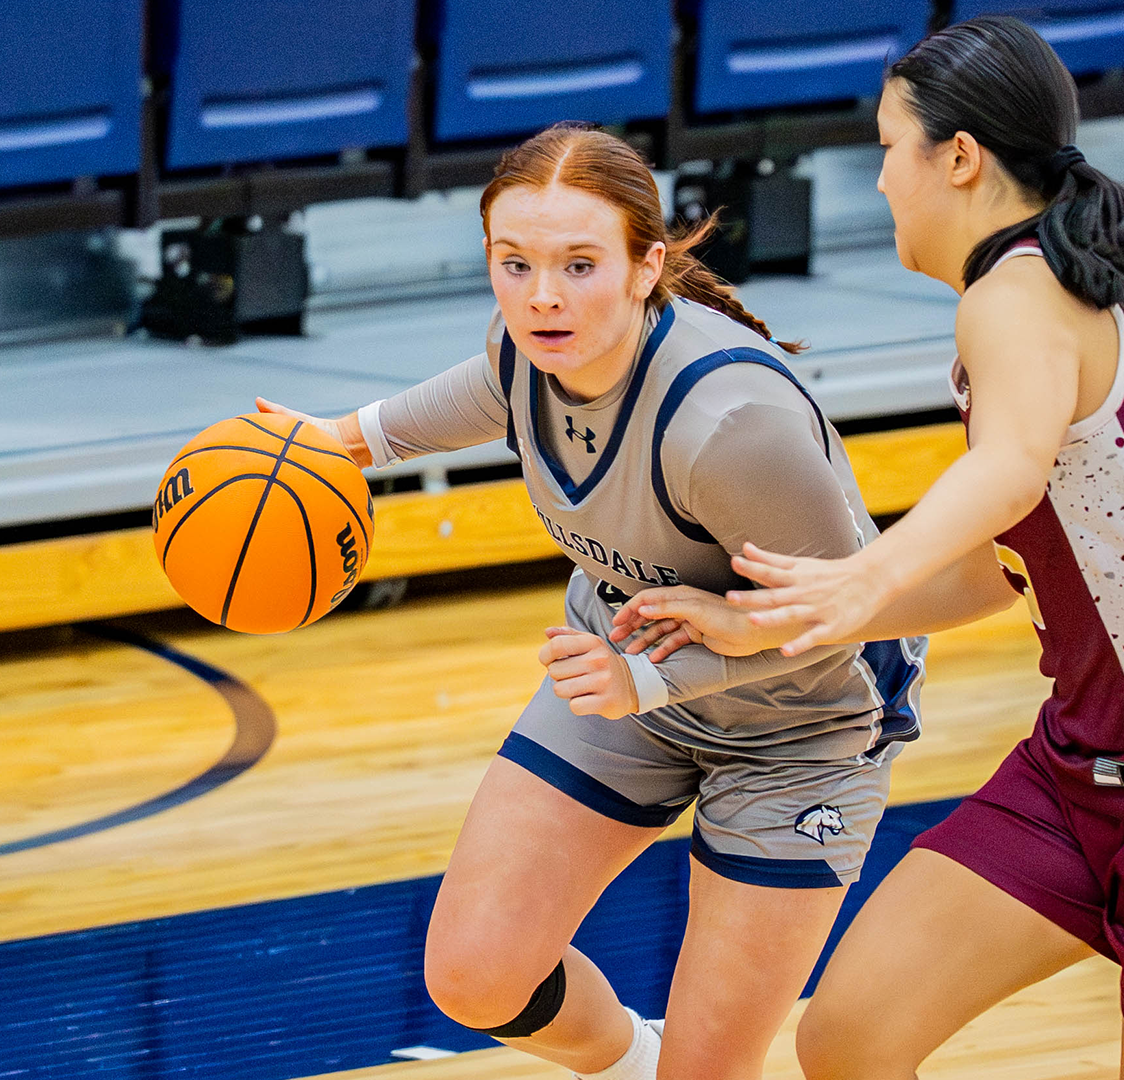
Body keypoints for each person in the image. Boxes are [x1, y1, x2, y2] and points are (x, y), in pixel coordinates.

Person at [610, 17, 1124, 1079]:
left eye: (887, 148)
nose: (878, 184)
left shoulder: (1022, 293)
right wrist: (773, 614)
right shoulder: (1037, 296)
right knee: (850, 1037)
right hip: (1078, 775)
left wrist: (863, 568)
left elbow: (1003, 470)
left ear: (958, 158)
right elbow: (992, 572)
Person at [256, 123, 925, 1080]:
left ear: (648, 265)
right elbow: (488, 384)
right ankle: (629, 1061)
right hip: (631, 680)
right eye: (513, 263)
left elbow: (839, 624)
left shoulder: (730, 425)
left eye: (579, 264)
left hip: (800, 728)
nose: (542, 296)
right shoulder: (529, 347)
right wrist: (343, 439)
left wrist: (643, 682)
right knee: (475, 976)